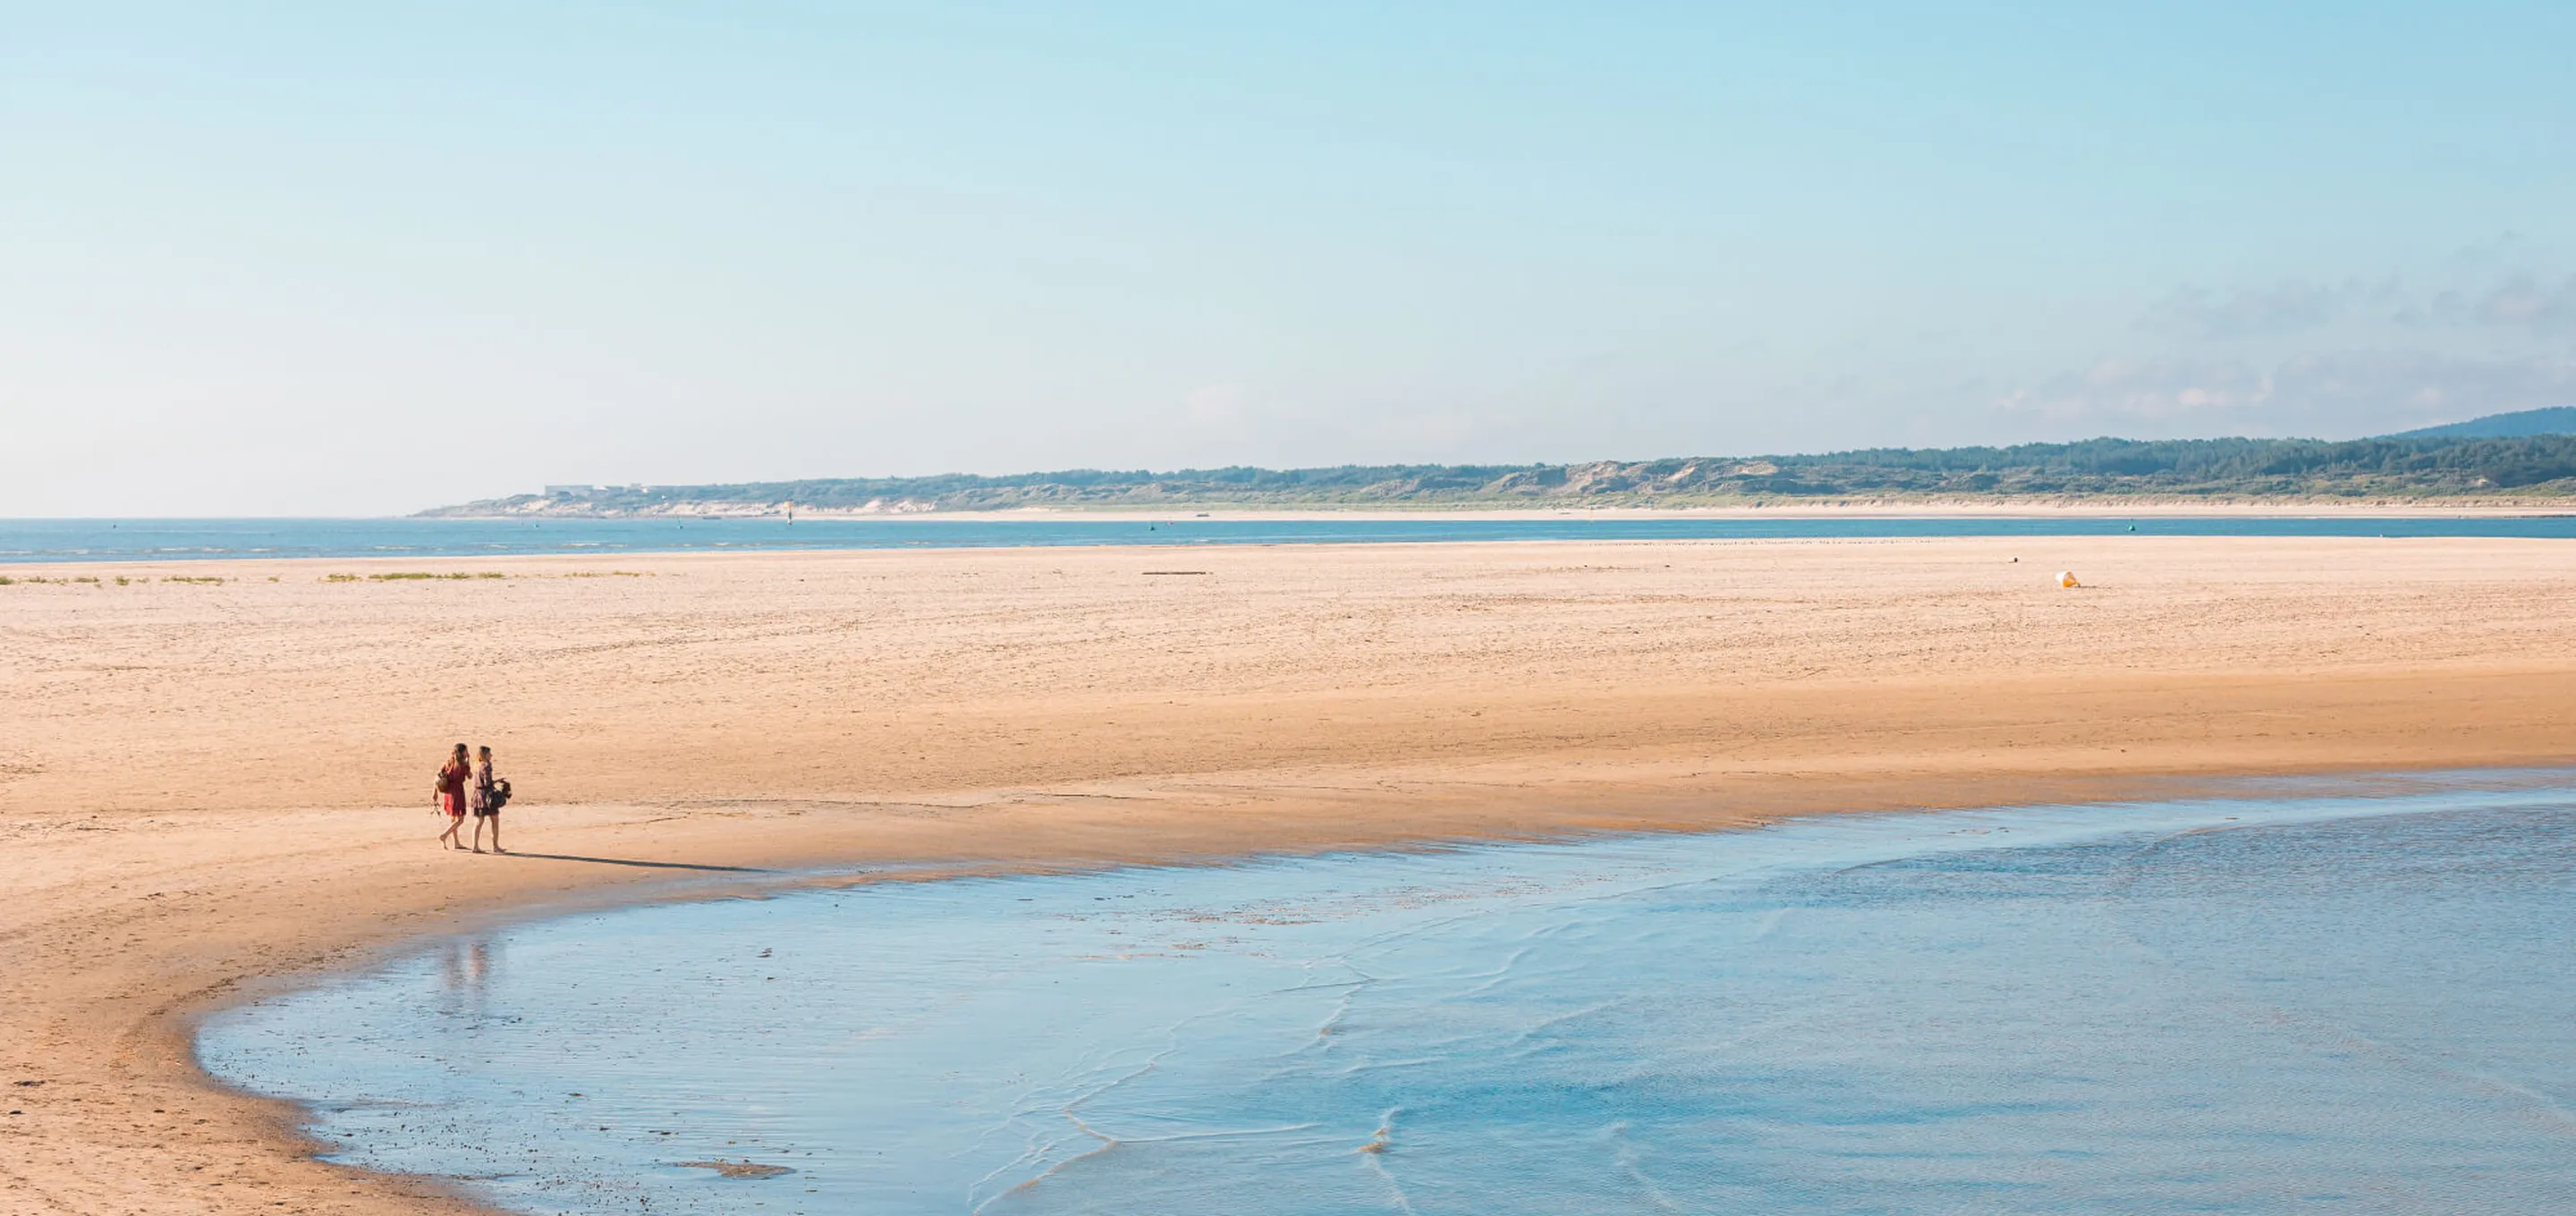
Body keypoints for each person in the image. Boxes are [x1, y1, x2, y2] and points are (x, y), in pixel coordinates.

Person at [469, 745, 506, 854]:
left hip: (477, 795)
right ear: (485, 755)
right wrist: (497, 782)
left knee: (479, 821)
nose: (491, 756)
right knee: (495, 819)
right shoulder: (486, 765)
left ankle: (475, 846)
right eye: (489, 754)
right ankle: (495, 846)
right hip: (487, 796)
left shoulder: (476, 765)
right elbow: (487, 782)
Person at [434, 743, 471, 849]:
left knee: (453, 818)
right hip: (457, 792)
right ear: (462, 752)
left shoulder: (449, 762)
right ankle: (444, 835)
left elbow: (438, 775)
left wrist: (435, 792)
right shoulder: (463, 764)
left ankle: (456, 843)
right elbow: (470, 776)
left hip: (448, 792)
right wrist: (468, 760)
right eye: (465, 751)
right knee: (460, 820)